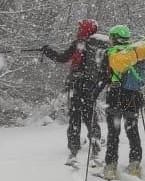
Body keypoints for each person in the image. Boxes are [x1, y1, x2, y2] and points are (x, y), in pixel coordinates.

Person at [41, 18, 110, 166]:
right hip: (92, 86)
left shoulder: (79, 43)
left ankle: (73, 151)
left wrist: (47, 51)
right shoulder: (102, 45)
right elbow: (105, 68)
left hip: (77, 85)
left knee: (75, 118)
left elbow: (62, 58)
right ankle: (96, 146)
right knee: (90, 115)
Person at [101, 24, 145, 180]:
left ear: (115, 38)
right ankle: (135, 165)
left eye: (111, 37)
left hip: (115, 98)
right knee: (133, 132)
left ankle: (110, 167)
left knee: (113, 134)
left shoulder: (111, 54)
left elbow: (103, 76)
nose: (110, 40)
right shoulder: (137, 53)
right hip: (133, 98)